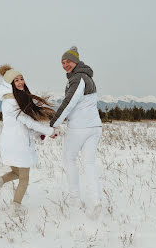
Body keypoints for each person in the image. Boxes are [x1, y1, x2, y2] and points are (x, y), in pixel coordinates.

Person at [0, 64, 56, 215]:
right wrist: (49, 131)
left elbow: (23, 125)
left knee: (17, 173)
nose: (20, 82)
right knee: (24, 178)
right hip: (19, 145)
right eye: (16, 80)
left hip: (10, 144)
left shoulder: (10, 101)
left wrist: (39, 134)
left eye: (21, 79)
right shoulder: (13, 103)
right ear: (9, 84)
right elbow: (28, 122)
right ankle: (14, 209)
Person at [50, 46, 103, 219]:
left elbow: (69, 103)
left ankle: (74, 199)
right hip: (94, 127)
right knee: (89, 164)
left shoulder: (77, 79)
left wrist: (54, 124)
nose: (65, 65)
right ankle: (95, 202)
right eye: (63, 63)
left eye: (68, 61)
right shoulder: (87, 77)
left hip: (80, 129)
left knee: (69, 159)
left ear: (77, 61)